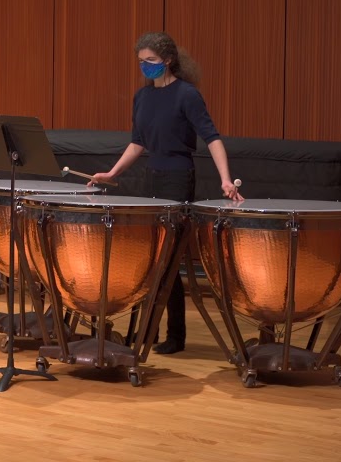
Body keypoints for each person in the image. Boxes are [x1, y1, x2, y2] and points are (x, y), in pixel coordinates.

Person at [89, 31, 243, 355]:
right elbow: (138, 143)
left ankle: (175, 334)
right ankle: (148, 331)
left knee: (169, 259)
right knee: (151, 258)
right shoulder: (142, 97)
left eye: (152, 61)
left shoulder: (187, 95)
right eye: (142, 61)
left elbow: (212, 138)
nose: (146, 66)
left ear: (169, 60)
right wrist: (113, 172)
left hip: (177, 179)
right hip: (152, 178)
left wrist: (226, 180)